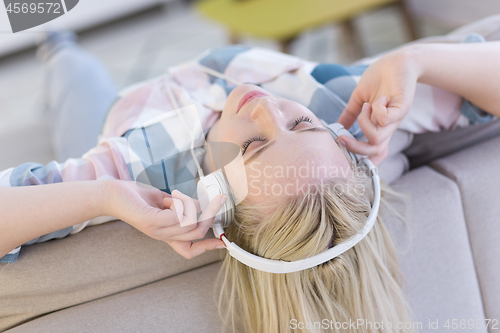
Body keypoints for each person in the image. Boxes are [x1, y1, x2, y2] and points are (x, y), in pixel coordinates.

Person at [0, 30, 499, 333]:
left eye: (253, 146)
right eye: (301, 125)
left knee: (74, 78)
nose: (264, 107)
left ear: (214, 200)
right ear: (342, 139)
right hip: (199, 79)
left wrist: (101, 194)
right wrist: (417, 60)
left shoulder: (135, 170)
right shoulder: (348, 109)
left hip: (129, 114)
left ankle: (56, 46)